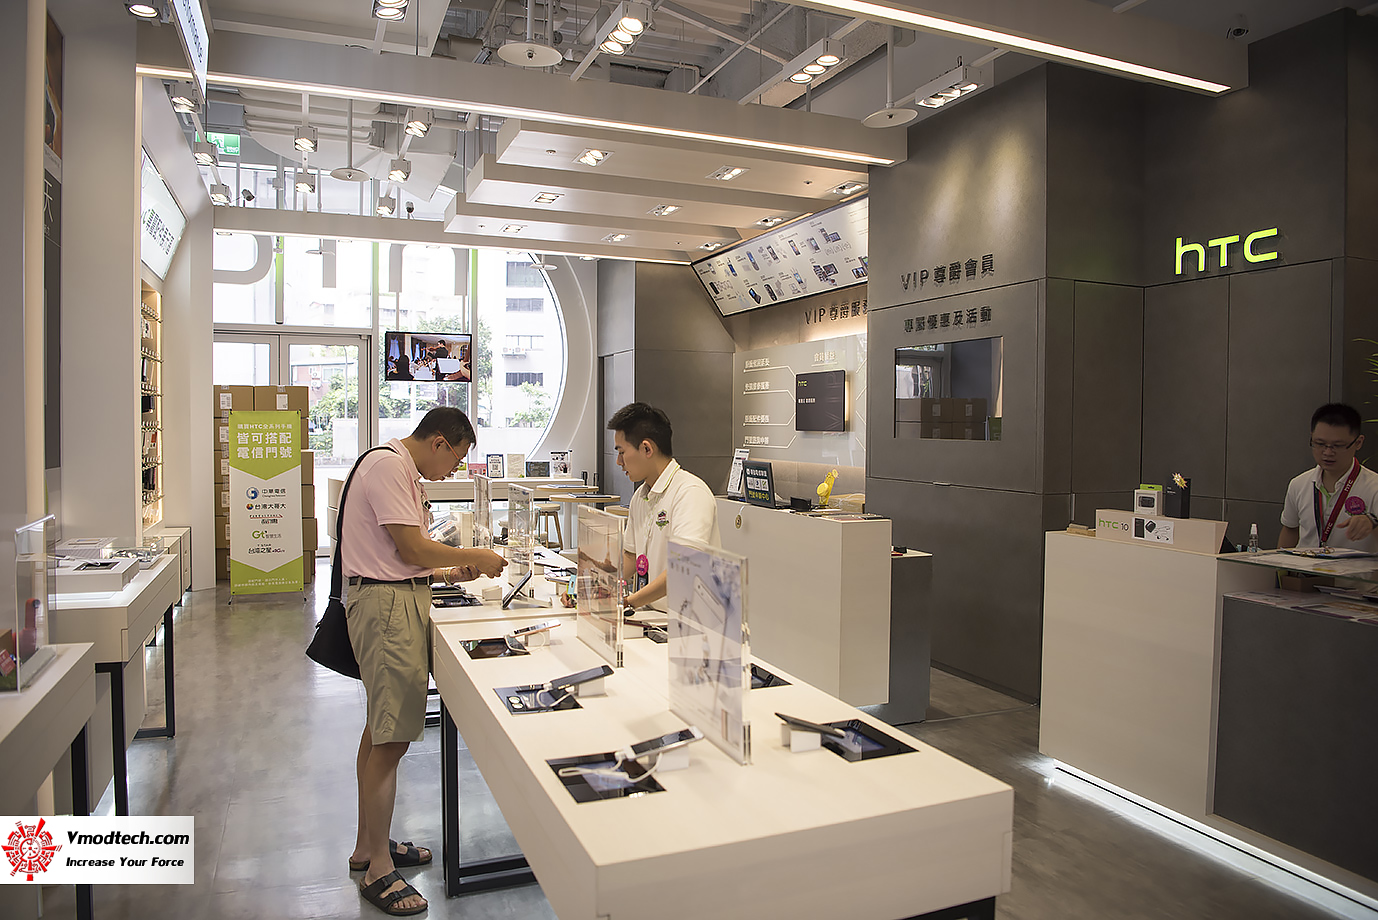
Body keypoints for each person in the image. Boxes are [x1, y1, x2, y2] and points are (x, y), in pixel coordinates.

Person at [343, 407, 506, 915]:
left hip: (393, 599)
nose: (451, 471)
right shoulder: (390, 466)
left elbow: (396, 557)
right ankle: (379, 870)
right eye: (455, 460)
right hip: (387, 608)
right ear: (439, 442)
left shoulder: (397, 468)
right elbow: (411, 548)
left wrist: (446, 574)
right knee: (391, 740)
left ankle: (369, 844)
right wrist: (475, 556)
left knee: (379, 730)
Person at [610, 402, 720, 609]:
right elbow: (631, 556)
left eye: (622, 452)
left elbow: (683, 567)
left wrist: (629, 602)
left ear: (647, 448)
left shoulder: (690, 492)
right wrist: (591, 586)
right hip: (652, 615)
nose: (618, 461)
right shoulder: (640, 495)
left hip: (688, 620)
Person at [1279, 403, 1378, 552]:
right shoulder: (1299, 484)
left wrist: (1372, 523)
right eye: (1320, 444)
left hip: (1353, 567)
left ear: (1358, 443)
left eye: (1337, 445)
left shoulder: (1374, 487)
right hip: (1304, 565)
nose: (1327, 452)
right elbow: (1290, 529)